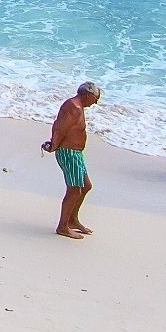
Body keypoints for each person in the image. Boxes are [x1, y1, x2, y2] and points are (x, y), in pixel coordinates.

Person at [42, 82, 102, 237]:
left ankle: (72, 219)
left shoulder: (78, 106)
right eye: (95, 99)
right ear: (87, 95)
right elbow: (59, 127)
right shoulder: (73, 107)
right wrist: (53, 145)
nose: (95, 103)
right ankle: (62, 226)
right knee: (74, 189)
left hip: (76, 153)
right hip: (68, 152)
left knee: (86, 186)